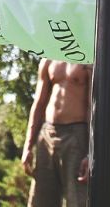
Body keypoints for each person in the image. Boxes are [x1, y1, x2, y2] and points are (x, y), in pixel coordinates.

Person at [22, 59, 92, 207]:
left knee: (78, 201)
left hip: (76, 135)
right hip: (47, 133)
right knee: (40, 201)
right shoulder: (48, 57)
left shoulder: (88, 57)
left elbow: (93, 107)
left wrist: (91, 153)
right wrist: (27, 146)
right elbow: (39, 103)